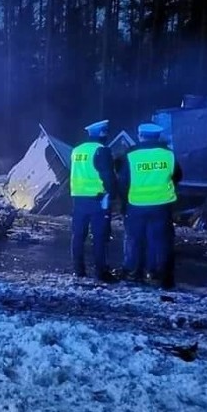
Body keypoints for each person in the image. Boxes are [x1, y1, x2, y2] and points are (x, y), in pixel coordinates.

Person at [118, 123, 182, 289]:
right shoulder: (168, 154)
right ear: (157, 137)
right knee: (161, 241)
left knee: (134, 240)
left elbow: (123, 182)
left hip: (136, 205)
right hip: (162, 206)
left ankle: (133, 274)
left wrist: (123, 204)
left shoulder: (131, 154)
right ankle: (161, 277)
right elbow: (177, 176)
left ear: (140, 135)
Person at [70, 119, 117, 282]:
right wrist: (114, 194)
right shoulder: (102, 150)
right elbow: (108, 176)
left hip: (78, 198)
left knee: (78, 235)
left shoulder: (76, 150)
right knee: (100, 236)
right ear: (102, 134)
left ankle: (78, 270)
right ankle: (101, 272)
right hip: (98, 200)